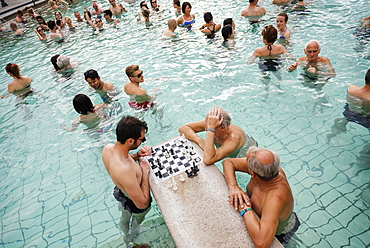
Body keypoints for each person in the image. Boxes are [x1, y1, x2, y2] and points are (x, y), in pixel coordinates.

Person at [222, 146, 300, 246]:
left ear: (252, 173)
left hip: (282, 233)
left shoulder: (274, 199)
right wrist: (234, 187)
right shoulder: (267, 171)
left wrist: (245, 209)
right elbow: (228, 162)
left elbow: (262, 243)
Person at [101, 116, 152, 241]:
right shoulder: (124, 170)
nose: (143, 141)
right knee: (136, 223)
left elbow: (125, 160)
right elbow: (142, 203)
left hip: (121, 193)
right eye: (141, 139)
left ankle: (125, 234)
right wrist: (144, 172)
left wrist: (137, 155)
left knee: (124, 219)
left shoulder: (108, 149)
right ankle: (131, 238)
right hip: (134, 203)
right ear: (130, 141)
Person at [178, 107, 257, 165]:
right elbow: (183, 128)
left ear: (223, 128)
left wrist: (211, 129)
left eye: (209, 127)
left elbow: (208, 160)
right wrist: (200, 141)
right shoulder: (211, 123)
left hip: (244, 152)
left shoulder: (233, 139)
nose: (206, 129)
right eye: (207, 125)